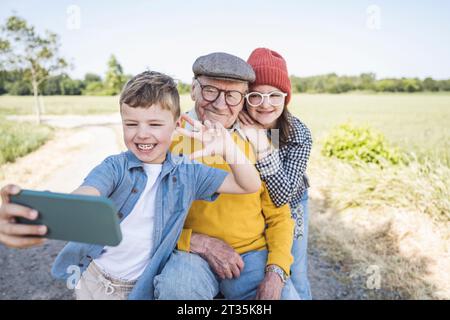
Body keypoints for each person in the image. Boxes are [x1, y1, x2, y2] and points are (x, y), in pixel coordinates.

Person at [0, 70, 261, 300]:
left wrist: (228, 148)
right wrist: (40, 214)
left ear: (177, 124)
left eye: (155, 124)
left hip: (141, 287)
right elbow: (85, 197)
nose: (142, 133)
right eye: (131, 124)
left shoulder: (189, 172)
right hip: (94, 279)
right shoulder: (115, 167)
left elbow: (248, 185)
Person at [154, 52, 299, 300]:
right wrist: (197, 242)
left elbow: (279, 216)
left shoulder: (261, 141)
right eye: (210, 90)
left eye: (232, 95)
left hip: (252, 255)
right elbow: (145, 214)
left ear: (243, 100)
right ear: (193, 90)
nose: (221, 105)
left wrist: (276, 272)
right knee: (176, 291)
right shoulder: (169, 136)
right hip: (190, 254)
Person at [238, 48, 313, 299]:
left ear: (286, 97)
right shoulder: (235, 123)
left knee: (295, 271)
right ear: (246, 97)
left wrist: (261, 145)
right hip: (251, 205)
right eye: (256, 96)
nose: (265, 104)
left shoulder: (298, 135)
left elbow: (283, 196)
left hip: (292, 203)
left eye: (274, 95)